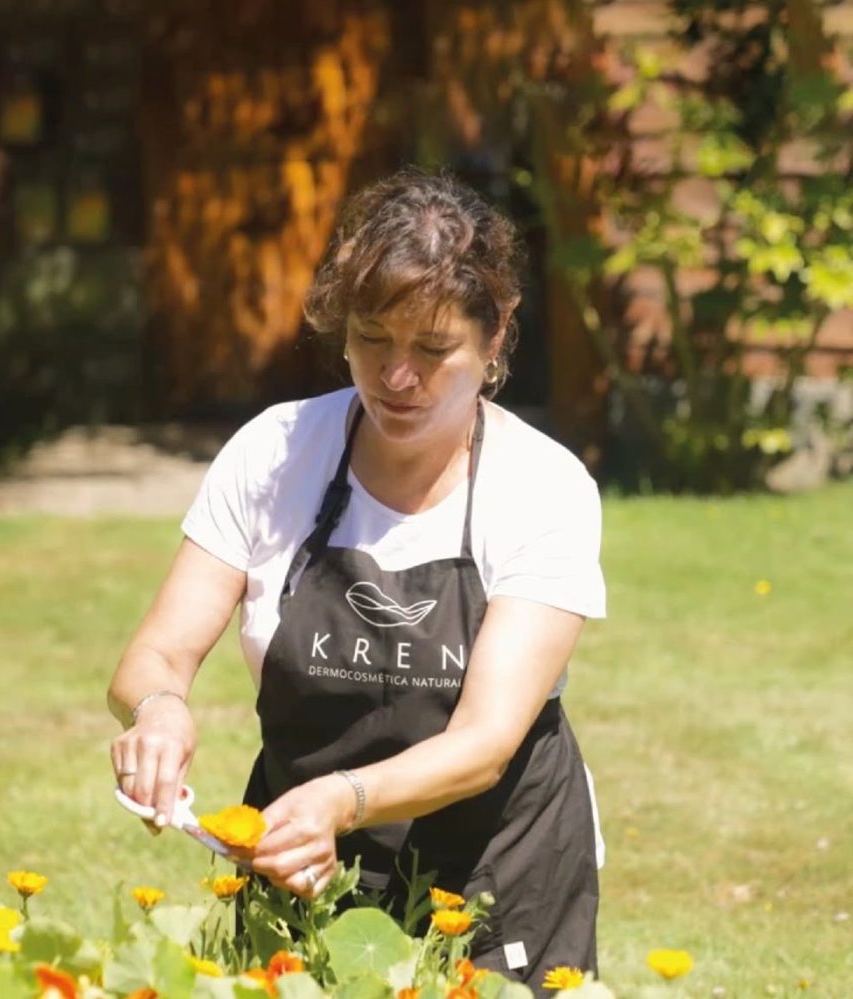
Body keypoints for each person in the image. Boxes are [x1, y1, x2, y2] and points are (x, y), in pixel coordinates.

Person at [107, 169, 606, 992]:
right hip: (302, 856)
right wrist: (159, 712)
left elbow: (485, 740)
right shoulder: (274, 454)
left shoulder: (543, 487)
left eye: (434, 348)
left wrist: (340, 798)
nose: (397, 376)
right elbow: (157, 651)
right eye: (373, 337)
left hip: (495, 875)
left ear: (496, 335)